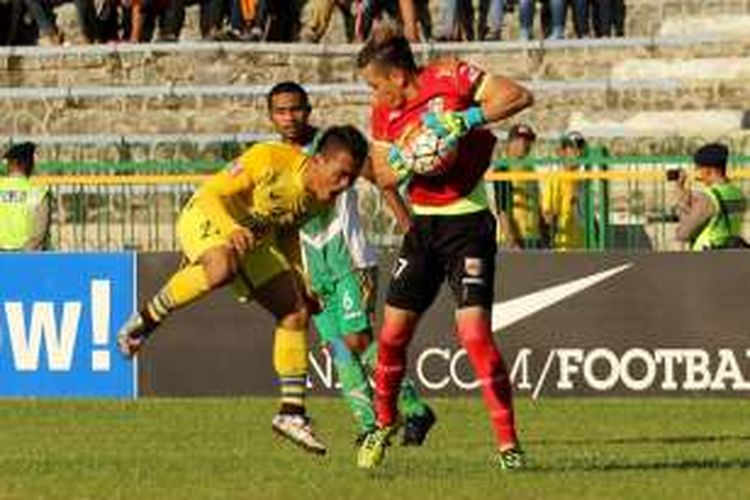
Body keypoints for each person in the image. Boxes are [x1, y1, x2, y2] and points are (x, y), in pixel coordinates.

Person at [116, 126, 369, 455]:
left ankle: (291, 415)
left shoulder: (323, 201)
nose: (345, 185)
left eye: (352, 179)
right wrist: (231, 228)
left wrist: (300, 274)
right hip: (209, 217)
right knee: (221, 266)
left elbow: (287, 232)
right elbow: (211, 195)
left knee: (295, 312)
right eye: (341, 175)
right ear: (318, 160)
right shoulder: (268, 159)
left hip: (253, 242)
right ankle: (147, 318)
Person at [355, 21, 533, 469]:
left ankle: (509, 447)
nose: (375, 96)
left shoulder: (450, 77)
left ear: (397, 75)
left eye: (377, 85)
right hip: (423, 231)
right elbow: (383, 176)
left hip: (468, 226)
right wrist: (405, 156)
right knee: (393, 335)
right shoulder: (384, 115)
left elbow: (518, 96)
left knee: (474, 336)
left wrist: (465, 119)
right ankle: (382, 424)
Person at [266, 81, 436, 445]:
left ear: (308, 110)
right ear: (270, 116)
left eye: (295, 108)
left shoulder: (333, 146)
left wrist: (409, 226)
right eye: (280, 110)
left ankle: (412, 406)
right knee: (340, 348)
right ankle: (369, 426)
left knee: (357, 340)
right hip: (313, 270)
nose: (288, 117)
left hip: (350, 261)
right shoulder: (274, 158)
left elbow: (382, 180)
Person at [674, 143, 747, 251]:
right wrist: (681, 190)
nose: (697, 173)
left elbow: (683, 233)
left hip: (707, 259)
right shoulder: (738, 194)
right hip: (733, 256)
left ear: (709, 170)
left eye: (698, 168)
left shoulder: (708, 198)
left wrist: (682, 204)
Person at [496, 123, 546, 250]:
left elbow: (536, 204)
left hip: (534, 238)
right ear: (510, 142)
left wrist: (544, 235)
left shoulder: (530, 169)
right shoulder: (503, 169)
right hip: (514, 239)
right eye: (519, 139)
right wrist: (511, 240)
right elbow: (502, 209)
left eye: (528, 140)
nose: (524, 144)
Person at [0, 142, 51, 251]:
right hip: (26, 259)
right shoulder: (38, 193)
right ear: (29, 165)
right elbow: (39, 234)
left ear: (11, 164)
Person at [542, 131, 587, 251]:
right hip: (562, 244)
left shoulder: (583, 179)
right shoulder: (554, 178)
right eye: (572, 149)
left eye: (580, 149)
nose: (577, 154)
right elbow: (548, 214)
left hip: (582, 243)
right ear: (562, 152)